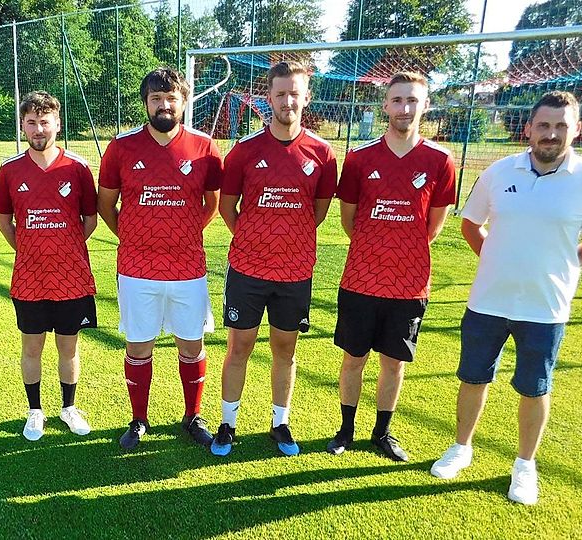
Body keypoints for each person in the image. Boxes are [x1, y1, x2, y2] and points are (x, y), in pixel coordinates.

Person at [430, 91, 582, 505]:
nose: (552, 134)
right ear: (528, 129)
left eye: (562, 126)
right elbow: (471, 224)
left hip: (545, 308)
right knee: (473, 378)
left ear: (577, 130)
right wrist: (498, 261)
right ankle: (461, 448)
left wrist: (566, 266)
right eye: (544, 125)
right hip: (488, 301)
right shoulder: (499, 171)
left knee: (534, 386)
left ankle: (524, 465)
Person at [326, 72, 456, 462]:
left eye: (412, 101)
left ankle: (382, 432)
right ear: (385, 106)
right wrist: (374, 248)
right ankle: (345, 430)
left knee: (394, 363)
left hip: (409, 285)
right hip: (361, 279)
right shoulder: (360, 159)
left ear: (425, 106)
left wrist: (402, 249)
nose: (404, 108)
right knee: (353, 359)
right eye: (397, 100)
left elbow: (431, 227)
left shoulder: (440, 161)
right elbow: (350, 222)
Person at [211, 61, 337, 457]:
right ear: (269, 98)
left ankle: (280, 422)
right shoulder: (245, 151)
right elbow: (227, 209)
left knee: (286, 349)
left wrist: (289, 242)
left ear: (306, 97)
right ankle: (228, 423)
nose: (287, 100)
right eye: (280, 93)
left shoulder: (322, 153)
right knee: (240, 346)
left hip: (295, 272)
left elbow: (316, 212)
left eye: (294, 93)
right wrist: (253, 239)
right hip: (247, 269)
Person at [98, 66, 223, 450]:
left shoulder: (204, 146)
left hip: (187, 268)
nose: (164, 105)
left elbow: (212, 205)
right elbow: (106, 205)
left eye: (171, 98)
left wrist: (183, 236)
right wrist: (134, 237)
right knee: (138, 345)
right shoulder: (121, 147)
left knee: (191, 343)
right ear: (146, 103)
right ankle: (138, 420)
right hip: (136, 269)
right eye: (156, 98)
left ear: (183, 102)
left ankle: (192, 416)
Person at [0, 91, 97, 441]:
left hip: (71, 278)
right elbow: (4, 221)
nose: (39, 128)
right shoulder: (9, 170)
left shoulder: (77, 167)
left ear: (57, 123)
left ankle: (68, 407)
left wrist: (65, 248)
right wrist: (28, 249)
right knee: (32, 346)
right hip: (29, 278)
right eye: (32, 122)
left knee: (69, 347)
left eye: (45, 121)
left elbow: (90, 219)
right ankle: (34, 411)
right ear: (23, 125)